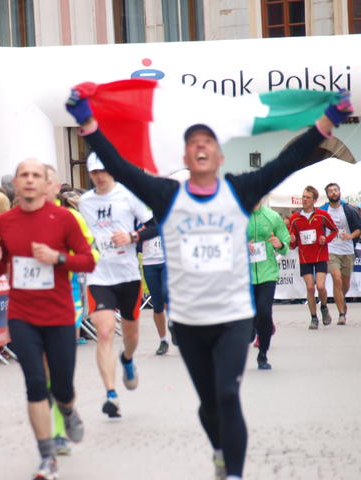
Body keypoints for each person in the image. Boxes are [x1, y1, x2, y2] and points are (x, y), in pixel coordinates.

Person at [66, 85, 352, 480]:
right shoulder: (167, 195)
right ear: (186, 158)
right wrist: (86, 122)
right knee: (209, 404)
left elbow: (288, 161)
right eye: (193, 143)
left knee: (228, 394)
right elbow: (121, 167)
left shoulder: (239, 190)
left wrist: (328, 121)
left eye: (208, 142)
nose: (200, 146)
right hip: (190, 321)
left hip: (233, 316)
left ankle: (233, 473)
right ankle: (220, 449)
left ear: (219, 156)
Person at [0, 158, 95, 480]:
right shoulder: (4, 221)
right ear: (16, 184)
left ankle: (68, 409)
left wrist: (57, 258)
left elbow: (87, 261)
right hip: (22, 315)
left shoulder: (64, 219)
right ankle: (47, 456)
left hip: (59, 314)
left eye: (36, 175)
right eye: (24, 175)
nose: (30, 179)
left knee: (62, 387)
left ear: (46, 183)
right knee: (35, 384)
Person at [78, 152, 151, 418]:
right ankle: (111, 395)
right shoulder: (85, 202)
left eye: (104, 171)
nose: (100, 177)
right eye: (95, 172)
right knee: (105, 332)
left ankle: (127, 359)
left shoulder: (128, 195)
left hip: (128, 274)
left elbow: (154, 225)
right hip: (99, 276)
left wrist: (132, 236)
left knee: (131, 337)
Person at [45, 164, 99, 456]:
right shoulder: (13, 220)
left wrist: (62, 259)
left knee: (60, 372)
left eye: (46, 180)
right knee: (41, 376)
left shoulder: (72, 218)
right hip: (29, 307)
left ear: (56, 187)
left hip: (66, 300)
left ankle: (64, 415)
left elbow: (92, 254)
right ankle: (54, 433)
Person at [288, 186, 338, 329]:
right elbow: (292, 245)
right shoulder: (294, 219)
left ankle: (324, 307)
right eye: (303, 197)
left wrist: (326, 239)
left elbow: (334, 230)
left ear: (314, 200)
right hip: (305, 258)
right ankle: (314, 318)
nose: (304, 199)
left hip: (320, 255)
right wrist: (292, 240)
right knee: (310, 288)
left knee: (320, 286)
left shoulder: (322, 215)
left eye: (308, 197)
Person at [248, 201, 290, 369]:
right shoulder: (238, 216)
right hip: (245, 274)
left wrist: (280, 244)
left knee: (264, 312)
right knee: (251, 314)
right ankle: (252, 326)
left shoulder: (272, 216)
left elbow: (285, 241)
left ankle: (263, 355)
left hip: (268, 273)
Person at [319, 182, 361, 325]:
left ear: (339, 192)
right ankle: (341, 314)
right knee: (336, 279)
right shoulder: (323, 211)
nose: (333, 193)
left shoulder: (349, 209)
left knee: (345, 283)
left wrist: (350, 236)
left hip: (348, 250)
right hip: (331, 250)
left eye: (335, 190)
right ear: (327, 194)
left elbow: (358, 229)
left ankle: (341, 299)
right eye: (330, 191)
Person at [140, 216, 170, 356]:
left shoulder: (166, 210)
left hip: (166, 259)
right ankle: (163, 340)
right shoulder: (139, 214)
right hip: (149, 262)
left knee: (167, 293)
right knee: (157, 305)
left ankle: (174, 323)